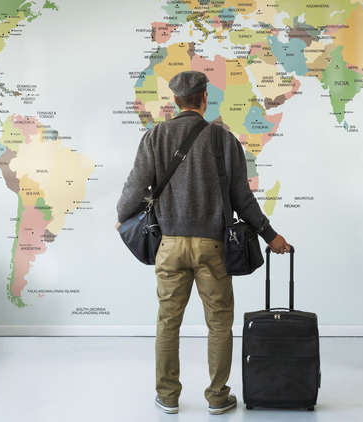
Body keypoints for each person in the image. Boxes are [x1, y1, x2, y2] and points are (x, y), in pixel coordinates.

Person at [116, 70, 290, 415]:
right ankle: (217, 397)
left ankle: (167, 397)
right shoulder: (224, 140)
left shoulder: (155, 136)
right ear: (205, 96)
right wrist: (271, 236)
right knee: (220, 323)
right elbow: (243, 198)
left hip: (169, 245)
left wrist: (124, 215)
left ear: (175, 100)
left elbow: (133, 191)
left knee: (168, 321)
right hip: (213, 246)